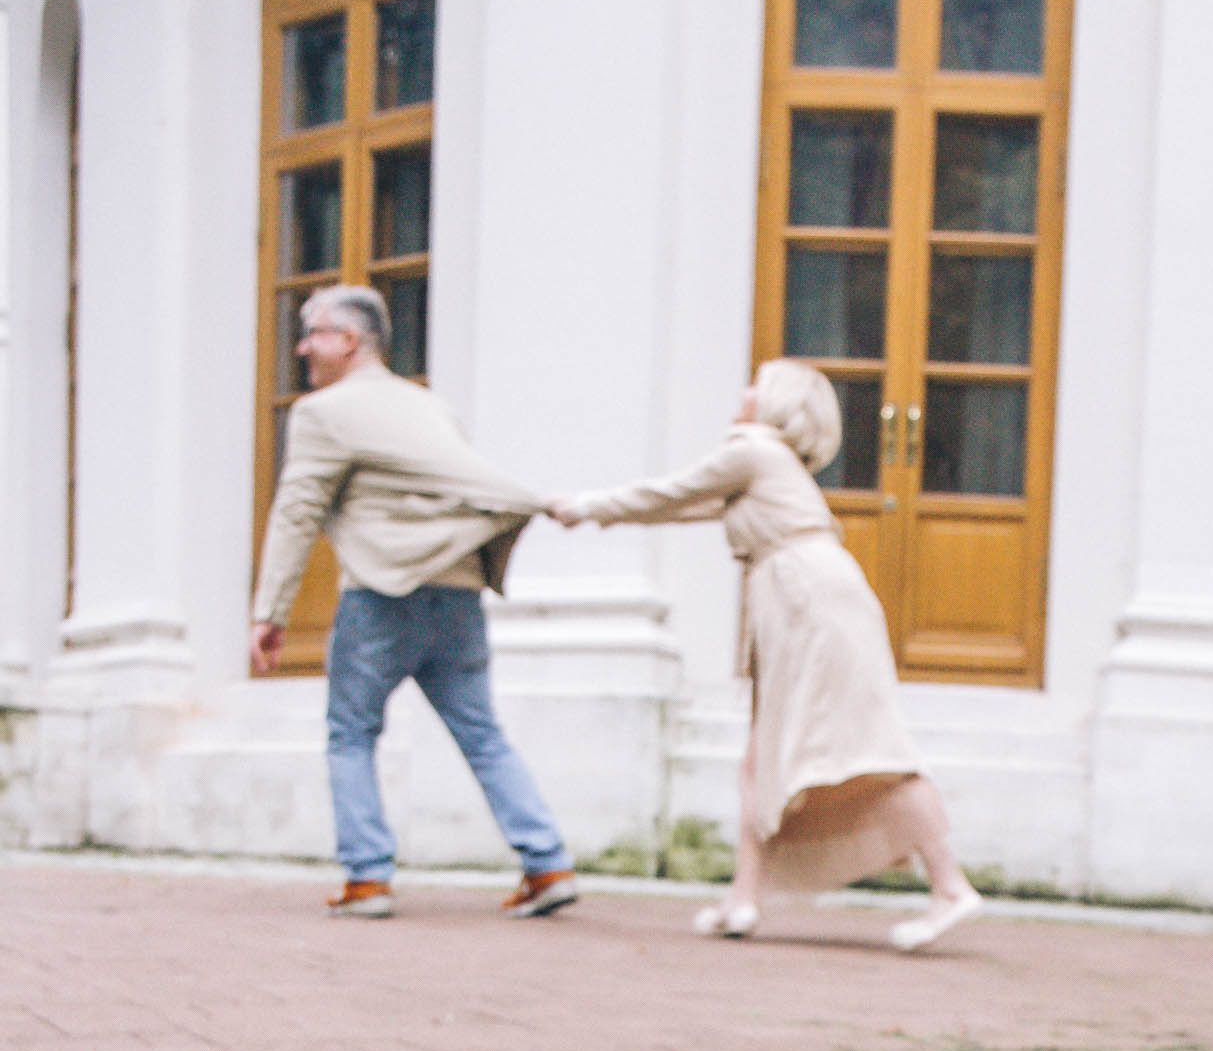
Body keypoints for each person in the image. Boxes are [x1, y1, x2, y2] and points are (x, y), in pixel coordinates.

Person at [550, 360, 981, 951]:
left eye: (757, 383)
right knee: (759, 756)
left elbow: (672, 491)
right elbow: (684, 505)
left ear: (775, 403)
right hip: (797, 601)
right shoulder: (768, 465)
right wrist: (596, 510)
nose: (745, 392)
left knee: (870, 745)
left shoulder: (752, 451)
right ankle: (742, 899)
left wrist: (589, 505)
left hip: (809, 602)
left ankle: (950, 887)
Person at [250, 285, 578, 920]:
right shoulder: (433, 407)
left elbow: (297, 511)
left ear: (347, 341)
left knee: (350, 733)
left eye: (311, 332)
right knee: (482, 735)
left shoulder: (323, 413)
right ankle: (547, 863)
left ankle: (368, 878)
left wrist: (271, 612)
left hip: (382, 594)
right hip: (457, 591)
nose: (301, 347)